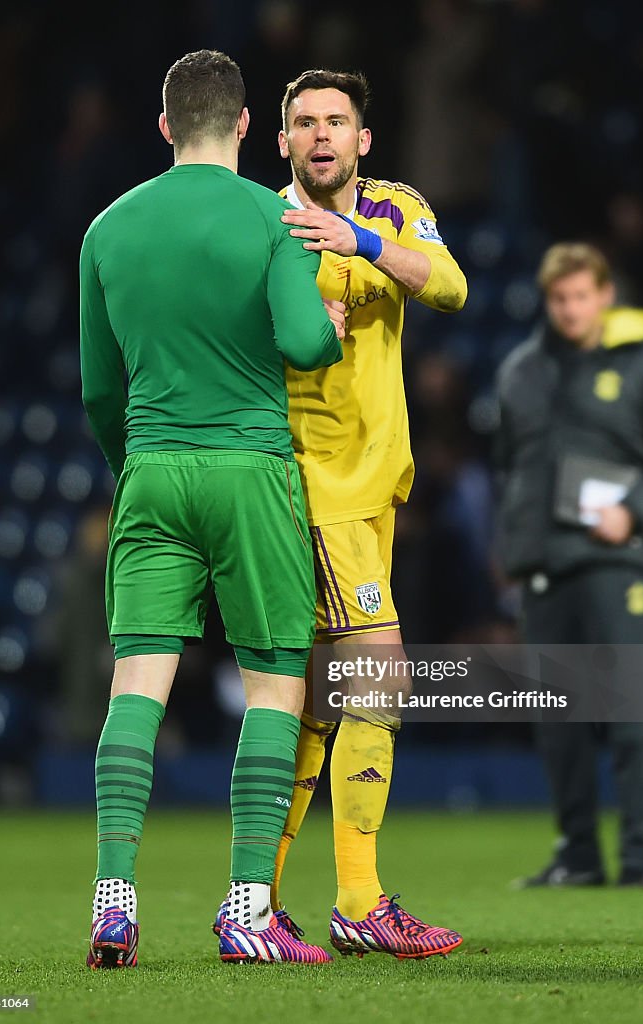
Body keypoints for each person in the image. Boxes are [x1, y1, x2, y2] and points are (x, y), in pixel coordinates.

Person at [80, 49, 344, 967]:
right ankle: (246, 910)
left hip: (151, 468)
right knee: (275, 686)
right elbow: (306, 340)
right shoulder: (277, 214)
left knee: (136, 686)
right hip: (251, 469)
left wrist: (137, 467)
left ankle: (114, 899)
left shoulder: (107, 227)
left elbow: (95, 389)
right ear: (243, 126)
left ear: (164, 127)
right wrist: (332, 333)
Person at [260, 69, 467, 958]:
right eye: (303, 123)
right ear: (280, 142)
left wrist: (361, 243)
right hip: (316, 486)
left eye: (335, 122)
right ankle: (358, 898)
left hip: (376, 484)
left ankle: (255, 902)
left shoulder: (394, 207)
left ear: (362, 140)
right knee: (382, 678)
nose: (320, 136)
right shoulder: (261, 223)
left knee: (314, 700)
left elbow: (450, 287)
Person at [495, 243, 643, 887]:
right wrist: (507, 546)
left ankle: (638, 861)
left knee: (628, 711)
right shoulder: (521, 371)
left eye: (582, 296)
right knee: (557, 722)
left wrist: (636, 510)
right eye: (559, 299)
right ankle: (580, 856)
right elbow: (509, 466)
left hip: (615, 561)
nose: (570, 310)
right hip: (542, 567)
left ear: (605, 296)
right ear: (547, 299)